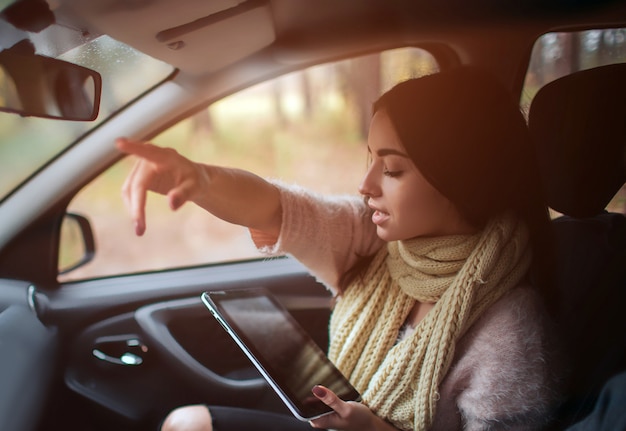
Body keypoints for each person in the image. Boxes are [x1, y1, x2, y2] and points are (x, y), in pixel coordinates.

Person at [117, 66, 561, 431]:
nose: (365, 186)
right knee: (187, 424)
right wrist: (203, 180)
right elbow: (279, 208)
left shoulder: (510, 330)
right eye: (370, 159)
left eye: (391, 169)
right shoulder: (374, 238)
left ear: (460, 178)